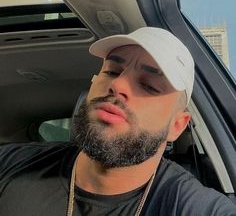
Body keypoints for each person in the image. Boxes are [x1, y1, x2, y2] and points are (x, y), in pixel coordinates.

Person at [0, 27, 235, 216]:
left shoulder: (195, 207)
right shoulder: (10, 163)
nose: (118, 85)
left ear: (177, 126)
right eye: (112, 71)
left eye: (149, 86)